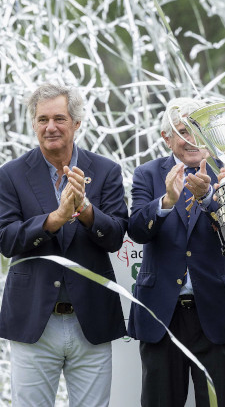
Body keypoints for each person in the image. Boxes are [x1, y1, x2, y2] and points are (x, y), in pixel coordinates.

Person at [0, 84, 128, 406]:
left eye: (59, 118)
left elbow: (115, 236)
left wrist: (86, 210)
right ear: (33, 124)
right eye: (42, 119)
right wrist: (54, 219)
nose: (51, 127)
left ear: (76, 123)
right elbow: (6, 239)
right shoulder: (11, 175)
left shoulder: (106, 171)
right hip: (33, 321)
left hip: (91, 321)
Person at [127, 97, 225, 407]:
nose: (190, 139)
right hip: (162, 315)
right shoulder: (147, 174)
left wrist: (208, 197)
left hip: (220, 311)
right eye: (182, 131)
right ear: (166, 138)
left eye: (197, 129)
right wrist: (166, 203)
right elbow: (136, 230)